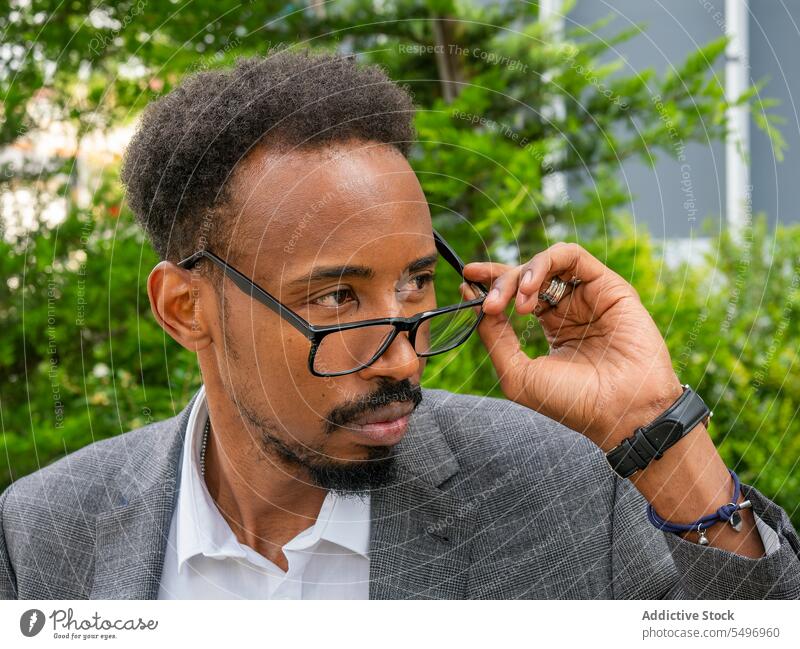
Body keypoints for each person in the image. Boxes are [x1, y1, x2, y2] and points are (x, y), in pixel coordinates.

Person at [1, 49, 798, 600]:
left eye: (416, 284)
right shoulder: (43, 537)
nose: (405, 361)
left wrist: (655, 433)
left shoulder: (560, 490)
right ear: (185, 308)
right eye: (337, 299)